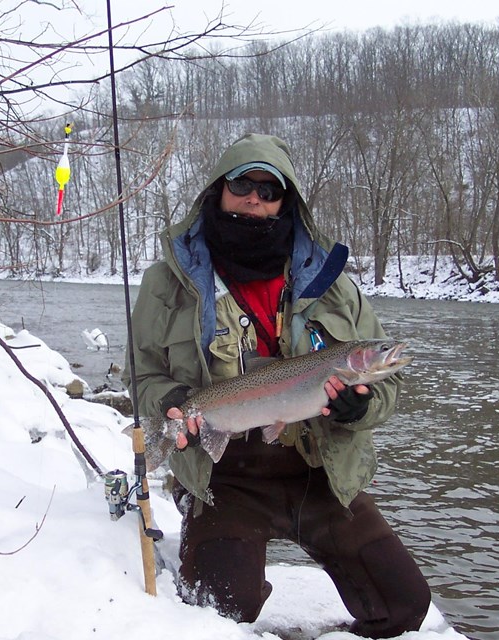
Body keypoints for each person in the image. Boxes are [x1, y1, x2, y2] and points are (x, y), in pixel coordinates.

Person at [127, 133, 431, 638]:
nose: (255, 198)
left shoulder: (334, 284)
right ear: (217, 191)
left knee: (404, 605)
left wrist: (360, 409)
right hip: (226, 478)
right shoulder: (167, 284)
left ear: (286, 203)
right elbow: (143, 377)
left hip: (320, 473)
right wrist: (175, 404)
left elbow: (387, 394)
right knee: (222, 608)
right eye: (243, 183)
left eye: (271, 191)